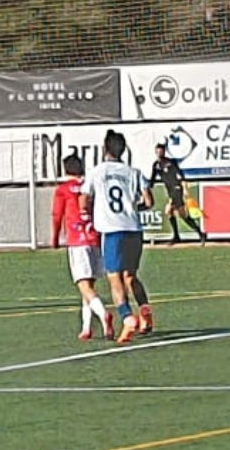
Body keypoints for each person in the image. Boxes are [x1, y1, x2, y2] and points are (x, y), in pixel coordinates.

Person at [80, 130, 154, 343]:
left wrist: (96, 210)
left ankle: (127, 317)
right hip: (133, 229)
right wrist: (131, 208)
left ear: (105, 149)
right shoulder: (133, 172)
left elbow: (83, 201)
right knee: (131, 276)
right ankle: (145, 311)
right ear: (123, 150)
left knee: (115, 278)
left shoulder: (96, 172)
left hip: (112, 232)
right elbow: (148, 202)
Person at [51, 155, 112, 340]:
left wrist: (54, 238)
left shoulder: (63, 190)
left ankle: (103, 315)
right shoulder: (90, 186)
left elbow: (56, 214)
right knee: (89, 285)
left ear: (65, 169)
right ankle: (86, 327)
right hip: (94, 238)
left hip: (77, 240)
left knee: (83, 285)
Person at [151, 143, 206, 245]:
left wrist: (184, 188)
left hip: (176, 189)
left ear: (164, 151)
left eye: (161, 151)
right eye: (157, 151)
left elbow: (180, 175)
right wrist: (147, 187)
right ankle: (199, 233)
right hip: (170, 191)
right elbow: (153, 179)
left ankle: (177, 236)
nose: (159, 153)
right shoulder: (156, 165)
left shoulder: (170, 162)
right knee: (183, 215)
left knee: (168, 210)